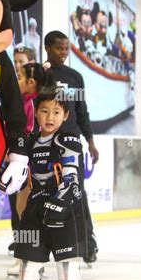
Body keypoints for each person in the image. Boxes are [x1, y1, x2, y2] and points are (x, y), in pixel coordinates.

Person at [11, 87, 87, 280]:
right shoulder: (29, 141)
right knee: (28, 254)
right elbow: (22, 178)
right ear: (36, 112)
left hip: (63, 207)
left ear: (65, 116)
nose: (50, 117)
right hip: (35, 207)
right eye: (44, 111)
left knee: (67, 258)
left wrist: (61, 202)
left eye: (56, 112)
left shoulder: (67, 140)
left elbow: (72, 178)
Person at [44, 30, 99, 265]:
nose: (63, 53)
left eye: (66, 48)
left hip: (72, 142)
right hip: (46, 142)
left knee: (77, 193)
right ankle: (43, 246)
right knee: (46, 193)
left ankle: (88, 244)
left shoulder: (76, 77)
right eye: (59, 48)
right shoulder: (41, 74)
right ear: (47, 48)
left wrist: (90, 141)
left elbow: (82, 110)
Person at [7, 62, 55, 277]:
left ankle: (29, 257)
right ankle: (27, 255)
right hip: (25, 162)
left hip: (31, 164)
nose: (17, 80)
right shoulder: (23, 102)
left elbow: (31, 134)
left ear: (31, 82)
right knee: (22, 211)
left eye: (20, 76)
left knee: (25, 211)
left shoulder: (33, 105)